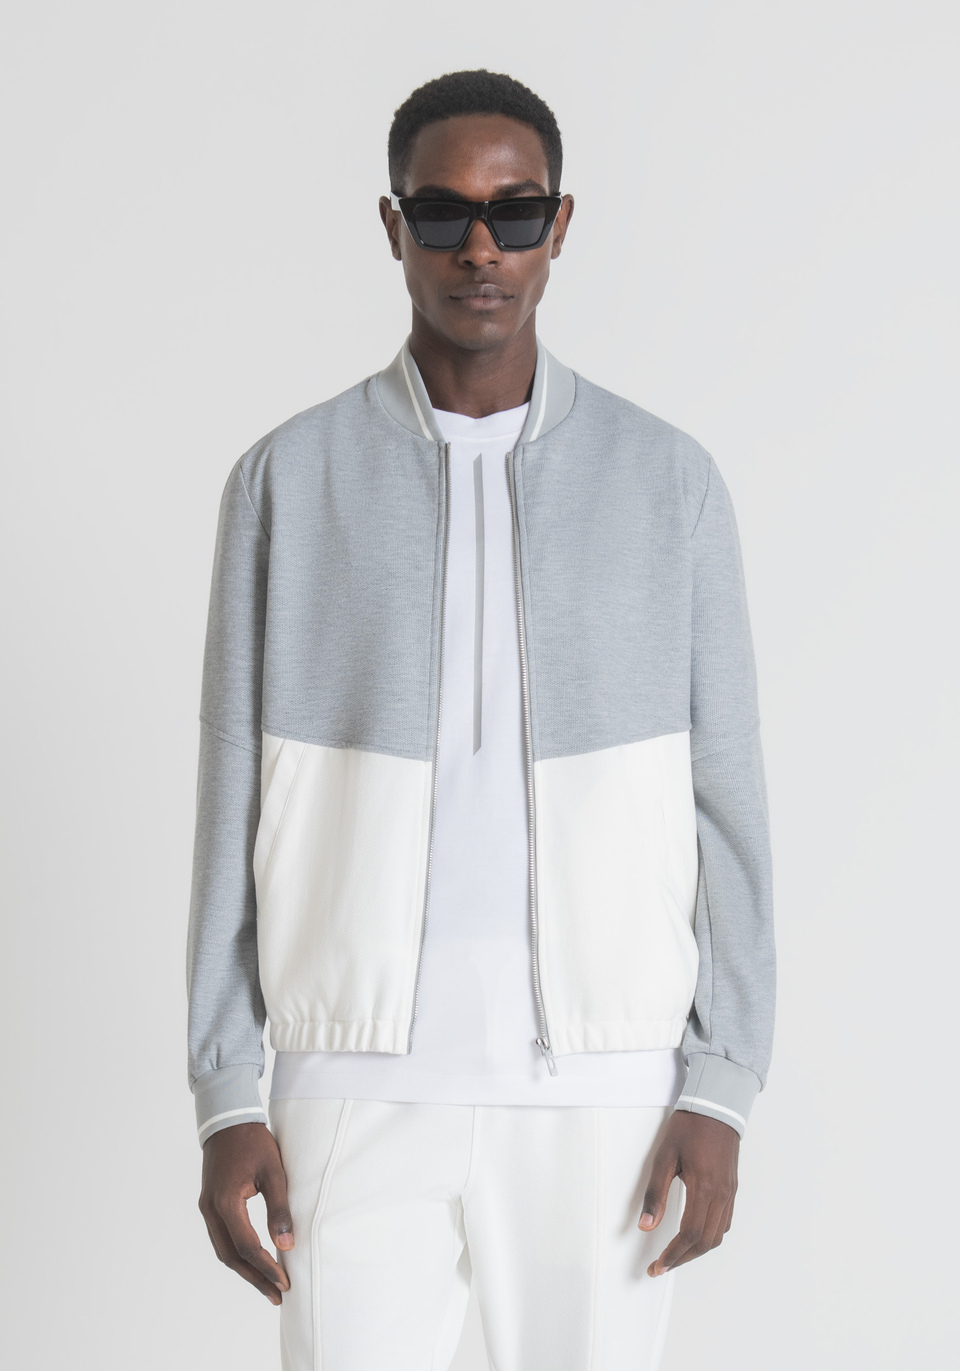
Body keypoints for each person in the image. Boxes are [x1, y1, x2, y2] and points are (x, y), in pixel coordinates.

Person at [187, 68, 775, 1371]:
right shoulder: (287, 480)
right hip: (350, 1090)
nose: (481, 248)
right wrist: (227, 1089)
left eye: (514, 213)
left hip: (607, 1099)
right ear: (393, 227)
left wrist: (721, 1084)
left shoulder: (667, 482)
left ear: (560, 226)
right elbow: (233, 797)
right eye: (443, 213)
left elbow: (727, 800)